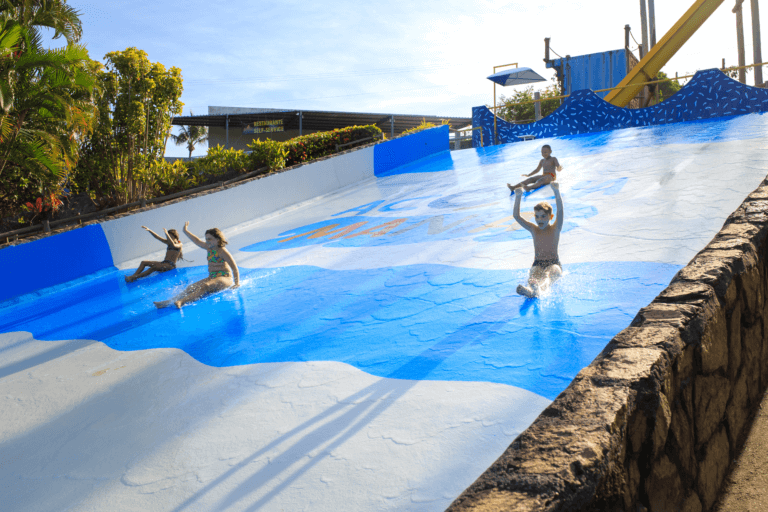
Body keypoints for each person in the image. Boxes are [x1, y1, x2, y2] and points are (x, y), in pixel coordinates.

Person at [154, 222, 240, 309]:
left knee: (206, 285)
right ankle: (168, 302)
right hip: (212, 277)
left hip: (225, 278)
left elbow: (234, 267)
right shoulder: (208, 247)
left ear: (218, 239)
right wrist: (185, 231)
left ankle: (181, 301)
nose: (207, 241)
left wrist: (237, 283)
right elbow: (196, 240)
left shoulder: (222, 251)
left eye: (210, 239)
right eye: (206, 239)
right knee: (190, 287)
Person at [512, 182, 563, 298]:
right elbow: (516, 216)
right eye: (537, 216)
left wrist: (556, 191)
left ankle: (539, 290)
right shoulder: (534, 229)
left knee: (547, 275)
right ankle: (530, 290)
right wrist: (518, 197)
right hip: (538, 262)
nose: (539, 219)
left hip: (554, 263)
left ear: (551, 217)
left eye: (543, 216)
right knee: (533, 274)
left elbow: (560, 211)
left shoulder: (556, 228)